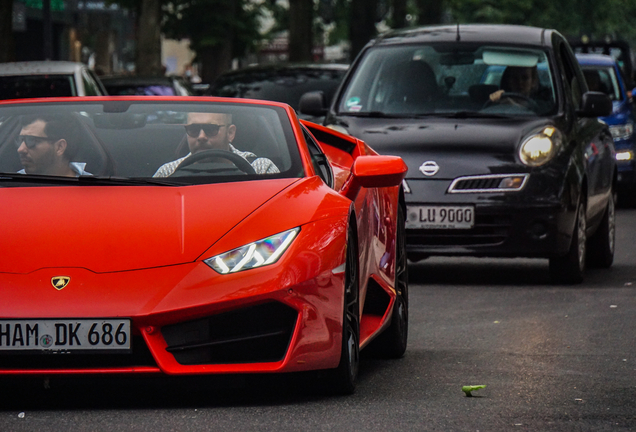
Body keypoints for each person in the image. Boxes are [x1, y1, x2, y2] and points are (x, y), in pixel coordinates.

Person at [153, 112, 279, 177]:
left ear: (230, 133)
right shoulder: (168, 172)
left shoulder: (261, 169)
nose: (201, 136)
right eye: (193, 129)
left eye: (211, 129)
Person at [16, 114, 90, 177]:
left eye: (31, 140)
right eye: (20, 139)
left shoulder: (93, 187)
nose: (20, 149)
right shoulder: (10, 184)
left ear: (59, 147)